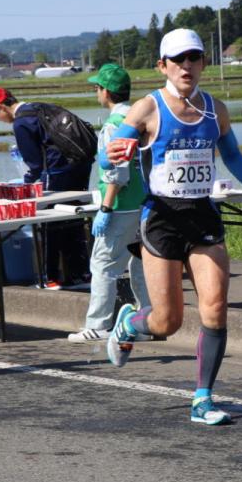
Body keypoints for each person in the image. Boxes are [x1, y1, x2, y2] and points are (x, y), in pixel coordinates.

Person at [103, 28, 242, 426]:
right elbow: (107, 158)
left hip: (202, 214)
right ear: (162, 66)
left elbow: (231, 153)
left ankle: (203, 398)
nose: (187, 66)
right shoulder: (147, 109)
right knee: (167, 322)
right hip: (162, 219)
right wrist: (118, 151)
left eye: (194, 58)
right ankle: (130, 322)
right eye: (178, 59)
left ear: (203, 63)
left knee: (215, 308)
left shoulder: (215, 108)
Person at [67, 63, 150, 342]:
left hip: (121, 204)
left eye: (97, 87)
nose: (96, 92)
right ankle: (147, 321)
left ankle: (98, 325)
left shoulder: (116, 126)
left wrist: (105, 208)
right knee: (140, 263)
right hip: (146, 202)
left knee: (103, 264)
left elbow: (116, 171)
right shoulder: (141, 120)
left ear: (106, 92)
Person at [0, 87, 92, 289]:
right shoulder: (39, 107)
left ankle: (50, 278)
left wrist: (23, 185)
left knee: (49, 223)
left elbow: (34, 164)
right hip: (79, 167)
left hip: (56, 172)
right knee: (74, 219)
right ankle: (81, 274)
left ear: (1, 107)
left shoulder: (21, 122)